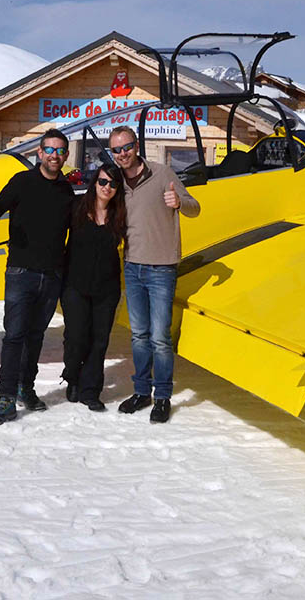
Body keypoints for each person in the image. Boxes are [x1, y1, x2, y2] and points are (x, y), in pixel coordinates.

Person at [0, 129, 74, 425]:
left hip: (52, 274)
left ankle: (26, 388)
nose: (54, 155)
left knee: (35, 336)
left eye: (60, 151)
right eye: (49, 149)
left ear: (66, 155)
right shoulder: (22, 182)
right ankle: (6, 399)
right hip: (21, 272)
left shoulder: (66, 190)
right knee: (15, 337)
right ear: (39, 153)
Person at [108, 125, 199, 423]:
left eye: (127, 147)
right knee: (139, 335)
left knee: (160, 338)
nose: (123, 154)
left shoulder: (163, 174)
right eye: (116, 150)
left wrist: (179, 203)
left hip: (161, 268)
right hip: (132, 267)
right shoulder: (115, 182)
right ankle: (141, 392)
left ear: (137, 146)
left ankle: (162, 397)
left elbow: (194, 208)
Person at [60, 162, 126, 412]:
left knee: (99, 341)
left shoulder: (120, 215)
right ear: (94, 182)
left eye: (112, 183)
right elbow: (51, 227)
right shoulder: (76, 208)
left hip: (106, 289)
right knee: (76, 337)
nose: (107, 187)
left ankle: (90, 391)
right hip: (75, 284)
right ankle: (72, 377)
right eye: (102, 181)